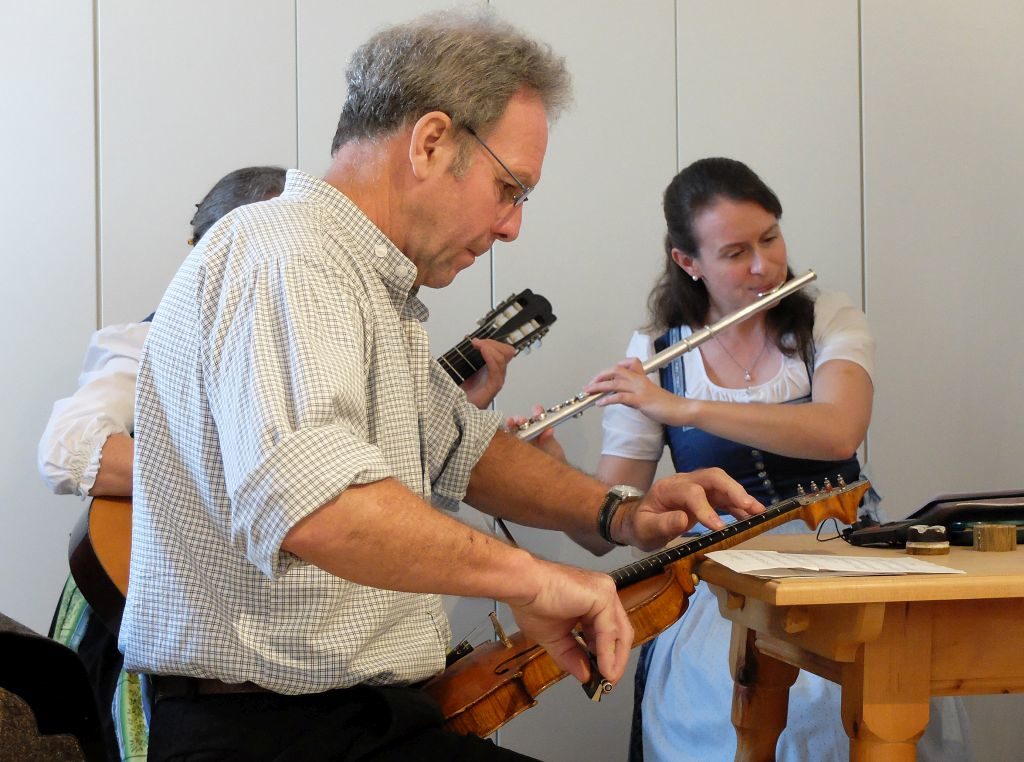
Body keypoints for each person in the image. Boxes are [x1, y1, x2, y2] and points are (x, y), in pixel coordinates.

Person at [121, 11, 761, 761]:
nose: (512, 225)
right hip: (272, 736)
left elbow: (466, 447)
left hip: (356, 724)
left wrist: (620, 510)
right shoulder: (285, 253)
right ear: (430, 142)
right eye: (509, 187)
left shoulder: (365, 282)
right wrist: (533, 581)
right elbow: (318, 508)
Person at [38, 164, 518, 761]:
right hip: (158, 622)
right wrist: (215, 464)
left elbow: (332, 496)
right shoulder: (144, 341)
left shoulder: (328, 339)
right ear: (205, 247)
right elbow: (67, 449)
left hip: (294, 659)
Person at [582, 157, 968, 760]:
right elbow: (611, 524)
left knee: (846, 705)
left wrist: (685, 411)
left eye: (770, 238)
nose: (764, 265)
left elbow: (839, 432)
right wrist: (550, 466)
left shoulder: (828, 319)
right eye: (736, 252)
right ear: (689, 262)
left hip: (842, 550)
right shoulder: (655, 354)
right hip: (725, 579)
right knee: (717, 702)